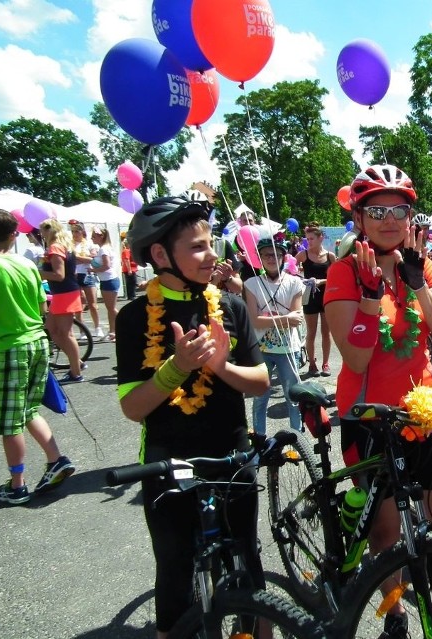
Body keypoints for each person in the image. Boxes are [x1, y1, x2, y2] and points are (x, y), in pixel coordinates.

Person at [323, 165, 432, 639]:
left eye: (399, 210)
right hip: (370, 416)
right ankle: (395, 613)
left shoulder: (424, 265)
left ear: (410, 216)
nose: (389, 220)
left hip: (424, 410)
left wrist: (415, 284)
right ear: (359, 219)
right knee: (386, 534)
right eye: (377, 210)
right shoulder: (343, 271)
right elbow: (355, 355)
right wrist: (371, 298)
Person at [117, 194, 269, 639]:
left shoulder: (231, 306)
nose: (211, 256)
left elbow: (260, 382)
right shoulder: (134, 317)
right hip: (169, 458)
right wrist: (176, 369)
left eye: (211, 243)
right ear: (161, 255)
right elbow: (132, 408)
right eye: (198, 247)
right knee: (175, 566)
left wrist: (221, 367)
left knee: (247, 556)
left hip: (231, 451)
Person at [0, 207, 76, 506]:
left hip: (7, 346)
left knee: (9, 420)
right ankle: (56, 459)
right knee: (27, 410)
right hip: (37, 341)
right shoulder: (26, 265)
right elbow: (42, 306)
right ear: (12, 235)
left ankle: (17, 484)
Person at [244, 236, 305, 433]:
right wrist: (283, 318)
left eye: (276, 254)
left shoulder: (295, 282)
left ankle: (297, 438)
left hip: (288, 348)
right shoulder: (251, 283)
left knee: (293, 397)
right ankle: (259, 441)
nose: (272, 258)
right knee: (260, 398)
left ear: (284, 257)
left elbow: (297, 319)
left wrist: (267, 317)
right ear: (259, 258)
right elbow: (254, 321)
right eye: (266, 255)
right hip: (261, 348)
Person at [39, 219, 84, 382]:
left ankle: (76, 372)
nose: (40, 234)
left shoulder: (55, 247)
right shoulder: (63, 245)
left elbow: (59, 275)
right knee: (51, 329)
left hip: (65, 293)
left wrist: (36, 272)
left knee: (66, 334)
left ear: (49, 230)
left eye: (42, 230)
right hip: (64, 293)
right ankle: (77, 362)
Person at [297, 223, 335, 377]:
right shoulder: (303, 254)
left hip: (326, 297)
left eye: (311, 239)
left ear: (321, 238)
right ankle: (312, 364)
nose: (309, 242)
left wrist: (321, 281)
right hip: (310, 297)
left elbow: (336, 277)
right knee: (311, 333)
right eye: (307, 239)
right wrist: (301, 280)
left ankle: (326, 363)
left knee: (326, 332)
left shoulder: (330, 256)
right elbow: (289, 270)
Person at [70, 221, 102, 340]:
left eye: (77, 231)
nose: (75, 234)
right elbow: (70, 260)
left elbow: (92, 259)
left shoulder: (89, 244)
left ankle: (97, 327)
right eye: (72, 231)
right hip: (74, 275)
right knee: (78, 305)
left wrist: (78, 258)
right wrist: (81, 259)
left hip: (87, 274)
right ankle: (82, 331)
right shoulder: (70, 244)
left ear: (82, 232)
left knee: (92, 303)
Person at [89, 226, 120, 342]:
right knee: (110, 308)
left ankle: (125, 323)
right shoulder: (104, 248)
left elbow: (106, 265)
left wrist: (93, 270)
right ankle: (112, 331)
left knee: (111, 309)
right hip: (108, 280)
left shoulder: (104, 249)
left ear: (101, 237)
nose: (92, 239)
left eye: (94, 236)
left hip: (109, 280)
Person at [120, 234, 138, 301]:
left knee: (131, 282)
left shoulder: (128, 250)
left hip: (131, 269)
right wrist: (129, 270)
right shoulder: (126, 251)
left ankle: (132, 295)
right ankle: (131, 296)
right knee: (132, 282)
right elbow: (126, 260)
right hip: (129, 269)